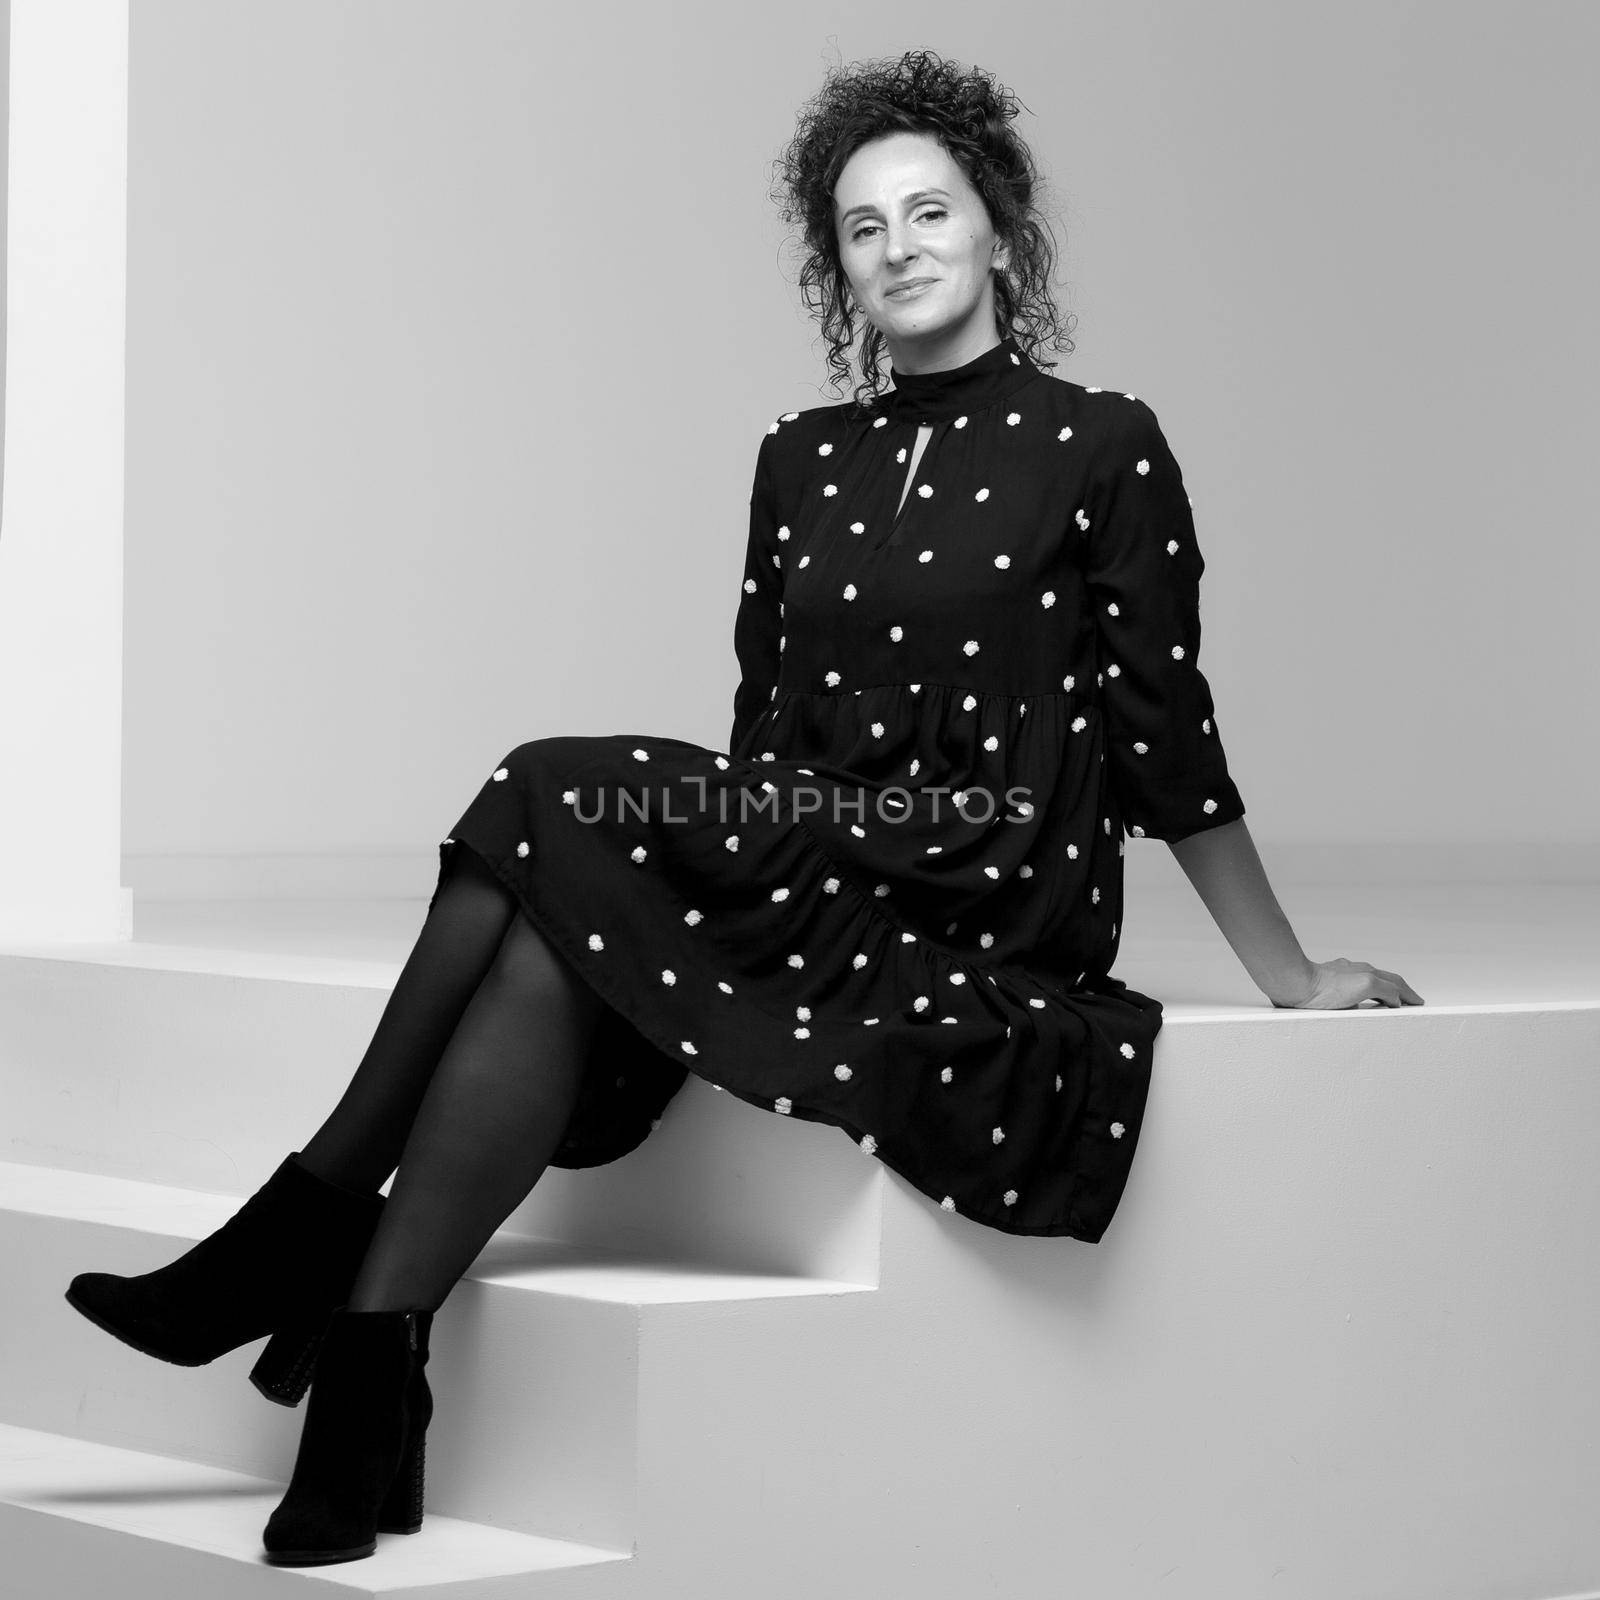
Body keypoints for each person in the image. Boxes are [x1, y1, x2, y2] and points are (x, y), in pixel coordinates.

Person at [63, 47, 1421, 1568]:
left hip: (992, 875)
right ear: (832, 262)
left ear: (999, 230)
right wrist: (672, 876)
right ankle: (371, 1365)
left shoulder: (1101, 443)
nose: (899, 247)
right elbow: (762, 731)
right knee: (551, 905)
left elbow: (1172, 743)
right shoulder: (801, 459)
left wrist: (1291, 977)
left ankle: (311, 1230)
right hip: (822, 840)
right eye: (862, 226)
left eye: (930, 212)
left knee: (538, 786)